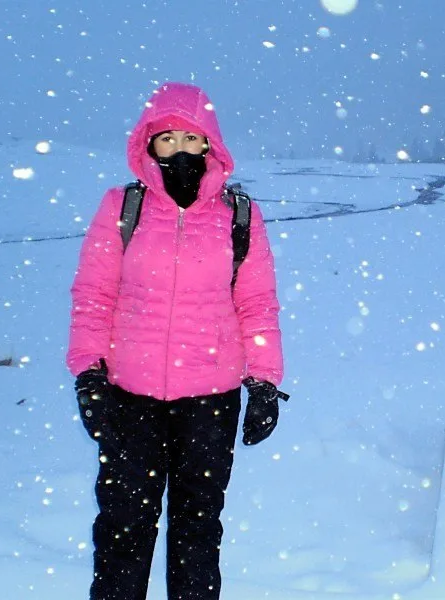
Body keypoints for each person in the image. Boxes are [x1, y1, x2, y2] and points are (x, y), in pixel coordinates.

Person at [66, 81, 286, 600]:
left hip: (210, 401)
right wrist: (89, 373)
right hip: (129, 394)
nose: (180, 151)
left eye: (191, 139)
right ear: (148, 144)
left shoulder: (239, 216)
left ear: (210, 144)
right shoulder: (124, 208)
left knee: (197, 532)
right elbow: (93, 295)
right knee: (124, 529)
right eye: (167, 140)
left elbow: (257, 306)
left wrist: (264, 383)